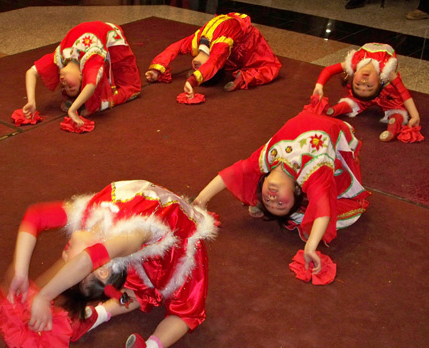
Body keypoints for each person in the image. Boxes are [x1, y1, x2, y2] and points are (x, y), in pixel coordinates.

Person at [5, 180, 218, 348]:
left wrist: (34, 286)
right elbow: (84, 256)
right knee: (140, 286)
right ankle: (97, 314)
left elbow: (36, 216)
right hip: (155, 231)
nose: (64, 254)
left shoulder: (107, 226)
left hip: (183, 241)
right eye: (73, 268)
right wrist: (30, 282)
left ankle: (152, 345)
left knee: (186, 309)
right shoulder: (119, 238)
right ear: (102, 268)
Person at [193, 99, 370, 275]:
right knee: (333, 199)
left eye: (267, 201)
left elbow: (231, 174)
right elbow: (323, 210)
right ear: (297, 191)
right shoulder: (314, 173)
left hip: (313, 119)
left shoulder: (265, 160)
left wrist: (200, 200)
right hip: (339, 134)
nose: (272, 199)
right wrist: (310, 246)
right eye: (280, 204)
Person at [22, 21, 141, 126]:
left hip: (107, 33)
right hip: (112, 37)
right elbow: (91, 85)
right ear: (81, 76)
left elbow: (31, 72)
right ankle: (94, 103)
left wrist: (31, 101)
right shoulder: (91, 63)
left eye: (64, 87)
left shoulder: (59, 58)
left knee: (128, 89)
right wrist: (73, 110)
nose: (63, 83)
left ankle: (92, 103)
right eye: (70, 86)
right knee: (132, 88)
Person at [145, 12, 282, 98]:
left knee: (270, 66)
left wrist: (192, 81)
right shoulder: (200, 41)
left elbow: (214, 62)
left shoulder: (216, 45)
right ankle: (234, 74)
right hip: (235, 42)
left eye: (195, 70)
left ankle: (245, 77)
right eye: (197, 70)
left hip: (249, 44)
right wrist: (157, 69)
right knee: (223, 61)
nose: (194, 67)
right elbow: (173, 49)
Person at [312, 42, 421, 142]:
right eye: (368, 86)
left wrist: (319, 86)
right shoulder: (387, 70)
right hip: (380, 93)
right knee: (356, 100)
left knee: (395, 109)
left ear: (353, 77)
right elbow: (403, 92)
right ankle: (336, 109)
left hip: (387, 94)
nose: (363, 82)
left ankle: (393, 125)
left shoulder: (354, 63)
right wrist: (414, 115)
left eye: (358, 85)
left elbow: (328, 70)